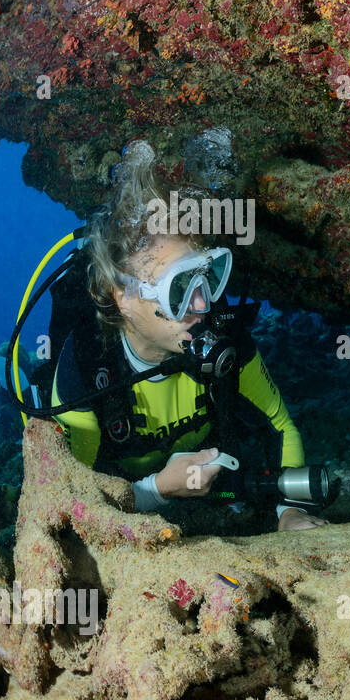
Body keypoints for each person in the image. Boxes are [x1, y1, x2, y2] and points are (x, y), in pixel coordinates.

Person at [49, 142, 327, 531]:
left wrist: (291, 513)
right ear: (123, 297)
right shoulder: (84, 369)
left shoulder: (221, 338)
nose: (201, 305)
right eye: (179, 288)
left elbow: (279, 424)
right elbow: (75, 502)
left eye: (207, 276)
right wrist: (158, 489)